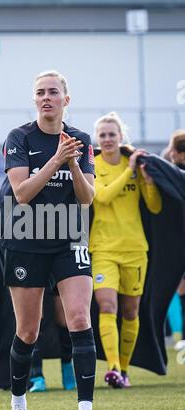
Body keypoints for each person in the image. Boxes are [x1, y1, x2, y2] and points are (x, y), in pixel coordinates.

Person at [2, 70, 106, 410]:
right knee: (28, 331)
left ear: (66, 99)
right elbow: (22, 193)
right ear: (35, 100)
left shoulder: (80, 139)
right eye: (40, 93)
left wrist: (74, 164)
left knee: (80, 319)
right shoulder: (19, 137)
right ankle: (18, 406)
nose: (46, 98)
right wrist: (56, 159)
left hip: (69, 238)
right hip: (26, 239)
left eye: (53, 92)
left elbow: (88, 197)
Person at [90, 112, 162, 389]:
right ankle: (113, 369)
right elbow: (104, 196)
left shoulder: (134, 165)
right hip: (104, 249)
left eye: (112, 134)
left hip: (134, 249)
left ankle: (125, 368)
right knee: (107, 306)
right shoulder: (92, 165)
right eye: (103, 135)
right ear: (98, 138)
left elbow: (154, 207)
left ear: (121, 138)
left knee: (131, 313)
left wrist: (147, 180)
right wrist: (129, 172)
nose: (107, 139)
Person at [29, 293, 76, 392]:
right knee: (36, 319)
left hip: (56, 278)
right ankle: (37, 377)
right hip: (34, 278)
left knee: (63, 320)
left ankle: (67, 366)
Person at [164, 130, 185, 351]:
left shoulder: (173, 174)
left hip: (177, 240)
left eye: (173, 150)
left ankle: (172, 334)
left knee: (178, 289)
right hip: (177, 240)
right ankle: (171, 333)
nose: (170, 153)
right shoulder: (169, 170)